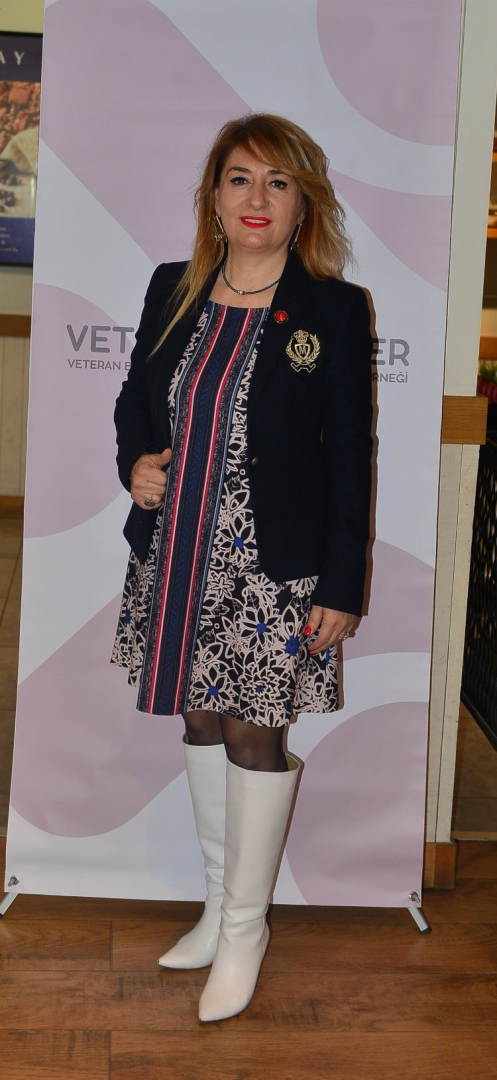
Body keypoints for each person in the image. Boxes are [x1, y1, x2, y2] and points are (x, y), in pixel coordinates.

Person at [112, 113, 374, 1022]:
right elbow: (134, 403)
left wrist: (341, 584)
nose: (256, 198)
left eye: (277, 182)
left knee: (253, 737)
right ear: (213, 199)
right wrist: (135, 463)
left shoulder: (332, 309)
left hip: (272, 570)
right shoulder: (171, 288)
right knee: (198, 721)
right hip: (178, 552)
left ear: (303, 204)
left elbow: (350, 455)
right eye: (238, 179)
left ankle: (244, 930)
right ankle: (217, 908)